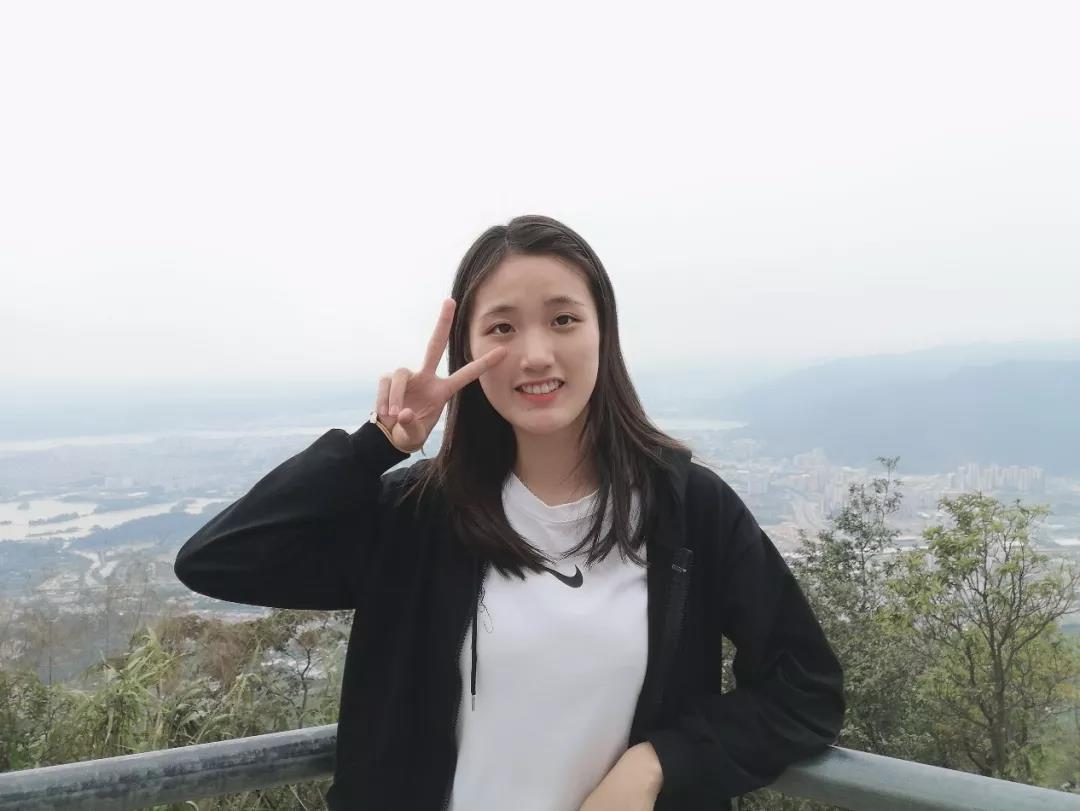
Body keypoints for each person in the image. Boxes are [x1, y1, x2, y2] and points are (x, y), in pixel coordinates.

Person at [173, 214, 845, 811]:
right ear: (467, 353)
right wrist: (377, 444)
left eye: (563, 319)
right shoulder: (419, 517)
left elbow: (805, 688)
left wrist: (658, 764)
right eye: (501, 327)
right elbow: (219, 559)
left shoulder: (688, 511)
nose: (535, 354)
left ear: (603, 332)